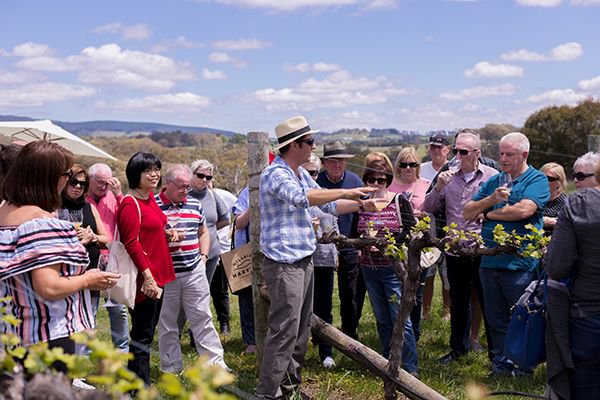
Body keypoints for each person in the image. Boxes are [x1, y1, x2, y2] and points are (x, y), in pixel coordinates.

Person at [256, 115, 376, 400]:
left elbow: (329, 204)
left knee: (299, 331)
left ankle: (290, 390)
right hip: (284, 263)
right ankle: (266, 394)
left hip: (302, 259)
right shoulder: (275, 173)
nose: (313, 147)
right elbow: (303, 198)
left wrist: (362, 204)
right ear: (294, 145)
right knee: (284, 331)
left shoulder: (300, 173)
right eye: (310, 142)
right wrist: (348, 190)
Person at [0, 141, 119, 365]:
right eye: (66, 174)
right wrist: (87, 279)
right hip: (45, 336)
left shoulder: (4, 211)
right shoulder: (42, 221)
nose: (68, 180)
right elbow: (49, 287)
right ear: (50, 177)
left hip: (10, 332)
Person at [464, 132, 549, 376]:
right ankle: (501, 364)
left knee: (521, 318)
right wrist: (491, 199)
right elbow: (468, 211)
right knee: (495, 319)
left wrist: (489, 214)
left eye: (509, 154)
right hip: (490, 261)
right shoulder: (496, 181)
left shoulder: (537, 180)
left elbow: (524, 211)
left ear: (524, 155)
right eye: (501, 153)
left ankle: (522, 367)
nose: (503, 159)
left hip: (520, 264)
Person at [423, 130, 496, 364]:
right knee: (458, 301)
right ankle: (457, 349)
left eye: (463, 151)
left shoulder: (492, 176)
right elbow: (429, 208)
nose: (458, 155)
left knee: (488, 303)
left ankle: (496, 355)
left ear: (477, 153)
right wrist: (438, 187)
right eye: (456, 150)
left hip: (482, 250)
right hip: (455, 249)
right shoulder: (447, 177)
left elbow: (505, 204)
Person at [155, 164, 227, 373]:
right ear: (168, 184)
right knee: (168, 323)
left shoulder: (194, 204)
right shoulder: (155, 205)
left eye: (188, 187)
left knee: (202, 317)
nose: (186, 191)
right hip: (167, 273)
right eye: (182, 186)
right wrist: (164, 236)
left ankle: (216, 365)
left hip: (194, 269)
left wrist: (203, 256)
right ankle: (171, 368)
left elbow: (203, 231)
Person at [117, 152, 176, 385]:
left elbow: (151, 228)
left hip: (159, 273)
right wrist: (148, 278)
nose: (154, 174)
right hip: (146, 277)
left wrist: (166, 233)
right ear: (135, 175)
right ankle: (140, 386)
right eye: (147, 171)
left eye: (157, 169)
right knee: (142, 333)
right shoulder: (130, 203)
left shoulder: (149, 198)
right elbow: (131, 242)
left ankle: (135, 380)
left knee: (147, 331)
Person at [357, 154, 419, 374]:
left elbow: (411, 229)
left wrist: (387, 244)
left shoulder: (398, 200)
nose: (375, 184)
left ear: (388, 180)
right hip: (368, 267)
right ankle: (387, 364)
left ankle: (410, 369)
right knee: (382, 319)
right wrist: (365, 244)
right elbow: (354, 232)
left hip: (393, 269)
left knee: (400, 319)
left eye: (381, 180)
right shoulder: (362, 203)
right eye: (371, 179)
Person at [545, 162, 600, 399]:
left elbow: (556, 266)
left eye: (580, 175)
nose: (575, 181)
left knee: (586, 386)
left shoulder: (577, 204)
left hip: (588, 313)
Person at [316, 141, 365, 340]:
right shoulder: (316, 183)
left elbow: (362, 214)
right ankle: (320, 336)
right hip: (322, 247)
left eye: (342, 161)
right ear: (324, 162)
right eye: (333, 161)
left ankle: (350, 334)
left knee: (350, 294)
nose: (338, 165)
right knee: (321, 294)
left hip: (349, 244)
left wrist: (360, 241)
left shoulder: (354, 182)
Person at [86, 163, 130, 353]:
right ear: (89, 179)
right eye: (99, 182)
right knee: (90, 308)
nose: (103, 186)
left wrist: (119, 193)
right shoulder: (82, 199)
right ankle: (84, 353)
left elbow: (128, 215)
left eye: (106, 183)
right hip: (91, 256)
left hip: (112, 256)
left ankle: (121, 350)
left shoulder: (112, 197)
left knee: (118, 307)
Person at [60, 164, 110, 316]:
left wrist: (92, 237)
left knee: (89, 324)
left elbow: (107, 239)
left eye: (83, 184)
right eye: (74, 182)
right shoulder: (55, 206)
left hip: (91, 274)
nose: (78, 187)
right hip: (66, 278)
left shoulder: (89, 207)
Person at [303, 153, 338, 369]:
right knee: (301, 309)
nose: (311, 177)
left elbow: (334, 225)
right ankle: (299, 351)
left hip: (324, 258)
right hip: (301, 260)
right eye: (306, 173)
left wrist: (336, 253)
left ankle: (326, 352)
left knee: (325, 307)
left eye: (314, 173)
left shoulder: (325, 195)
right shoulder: (295, 196)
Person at [188, 159, 231, 335]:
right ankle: (182, 328)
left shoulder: (212, 195)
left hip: (211, 253)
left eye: (208, 177)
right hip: (188, 253)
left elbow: (225, 219)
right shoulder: (184, 194)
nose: (204, 180)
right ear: (191, 175)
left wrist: (208, 233)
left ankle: (197, 330)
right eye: (200, 175)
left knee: (204, 291)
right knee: (190, 292)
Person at [539, 162, 567, 235]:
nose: (544, 181)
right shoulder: (531, 197)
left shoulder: (567, 204)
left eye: (550, 179)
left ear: (559, 182)